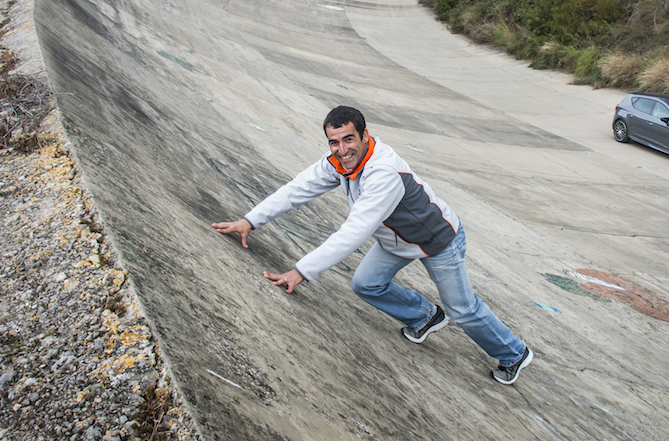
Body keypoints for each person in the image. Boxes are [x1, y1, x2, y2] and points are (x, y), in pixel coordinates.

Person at [212, 106, 532, 385]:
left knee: (463, 310)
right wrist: (250, 220)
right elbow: (296, 190)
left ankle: (514, 353)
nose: (341, 148)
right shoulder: (338, 163)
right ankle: (425, 316)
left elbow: (353, 232)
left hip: (437, 240)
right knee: (366, 283)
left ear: (364, 135)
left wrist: (301, 271)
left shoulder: (383, 172)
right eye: (334, 142)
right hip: (394, 238)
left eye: (348, 139)